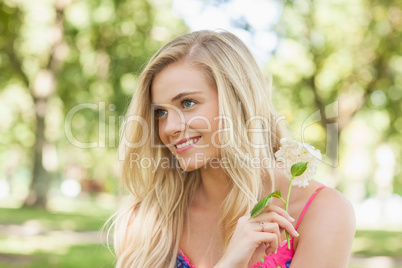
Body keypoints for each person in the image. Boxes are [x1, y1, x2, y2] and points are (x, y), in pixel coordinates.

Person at [109, 30, 356, 268]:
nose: (169, 127)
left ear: (238, 101)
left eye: (187, 103)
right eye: (160, 112)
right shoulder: (149, 218)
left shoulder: (320, 211)